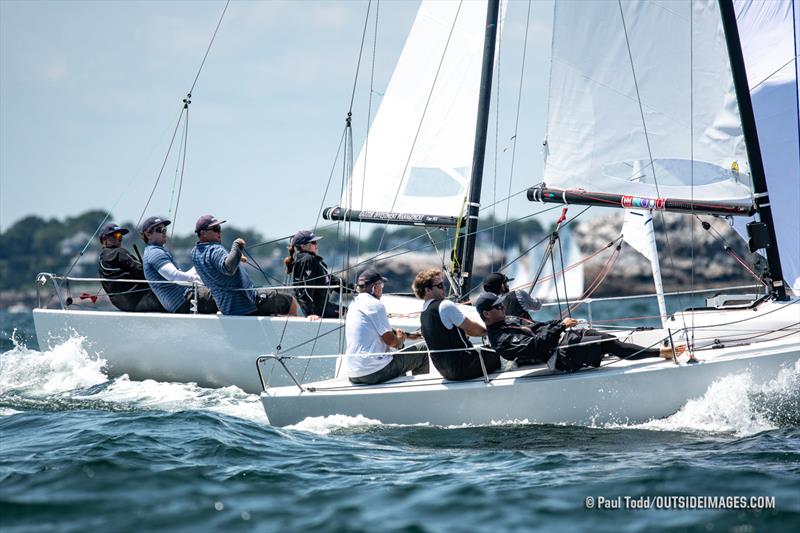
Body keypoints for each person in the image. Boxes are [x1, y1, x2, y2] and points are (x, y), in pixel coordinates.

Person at [475, 292, 684, 372]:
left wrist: (559, 323)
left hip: (563, 342)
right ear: (486, 314)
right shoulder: (500, 339)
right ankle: (662, 353)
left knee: (603, 337)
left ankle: (652, 352)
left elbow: (539, 327)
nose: (503, 308)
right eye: (498, 307)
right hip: (558, 357)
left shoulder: (508, 320)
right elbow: (536, 345)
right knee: (609, 343)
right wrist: (560, 327)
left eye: (502, 305)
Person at [190, 215, 298, 316]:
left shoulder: (195, 253)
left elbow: (215, 268)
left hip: (226, 306)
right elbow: (228, 269)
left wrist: (236, 257)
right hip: (247, 303)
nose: (219, 232)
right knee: (290, 301)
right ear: (203, 233)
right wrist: (237, 245)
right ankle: (292, 334)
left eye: (219, 229)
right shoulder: (215, 249)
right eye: (215, 229)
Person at [344, 268, 429, 385]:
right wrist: (400, 342)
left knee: (396, 361)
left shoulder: (353, 305)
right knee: (422, 351)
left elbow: (382, 330)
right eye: (381, 285)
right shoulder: (375, 304)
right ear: (374, 287)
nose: (382, 289)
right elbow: (391, 341)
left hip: (353, 373)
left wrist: (411, 336)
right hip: (374, 372)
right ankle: (422, 393)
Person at [412, 268, 500, 381]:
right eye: (439, 286)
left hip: (445, 371)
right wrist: (490, 331)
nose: (444, 288)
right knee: (500, 349)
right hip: (463, 366)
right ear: (427, 290)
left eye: (443, 284)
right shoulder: (444, 306)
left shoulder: (424, 313)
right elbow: (472, 329)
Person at [140, 216, 217, 314]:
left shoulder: (154, 251)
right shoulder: (155, 253)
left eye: (165, 229)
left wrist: (199, 266)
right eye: (159, 230)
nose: (164, 232)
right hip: (185, 301)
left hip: (184, 300)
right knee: (226, 295)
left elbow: (178, 276)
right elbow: (174, 276)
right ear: (148, 234)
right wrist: (198, 280)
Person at [98, 222, 165, 313]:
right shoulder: (119, 253)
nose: (120, 239)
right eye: (117, 236)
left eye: (121, 237)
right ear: (105, 238)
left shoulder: (101, 260)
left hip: (123, 304)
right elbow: (143, 272)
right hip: (142, 299)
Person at [285, 230, 348, 318]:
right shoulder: (307, 259)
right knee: (351, 314)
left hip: (323, 307)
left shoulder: (312, 259)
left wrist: (353, 288)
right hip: (317, 311)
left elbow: (329, 279)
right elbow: (304, 289)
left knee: (350, 312)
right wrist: (310, 313)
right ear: (303, 246)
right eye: (313, 242)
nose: (317, 245)